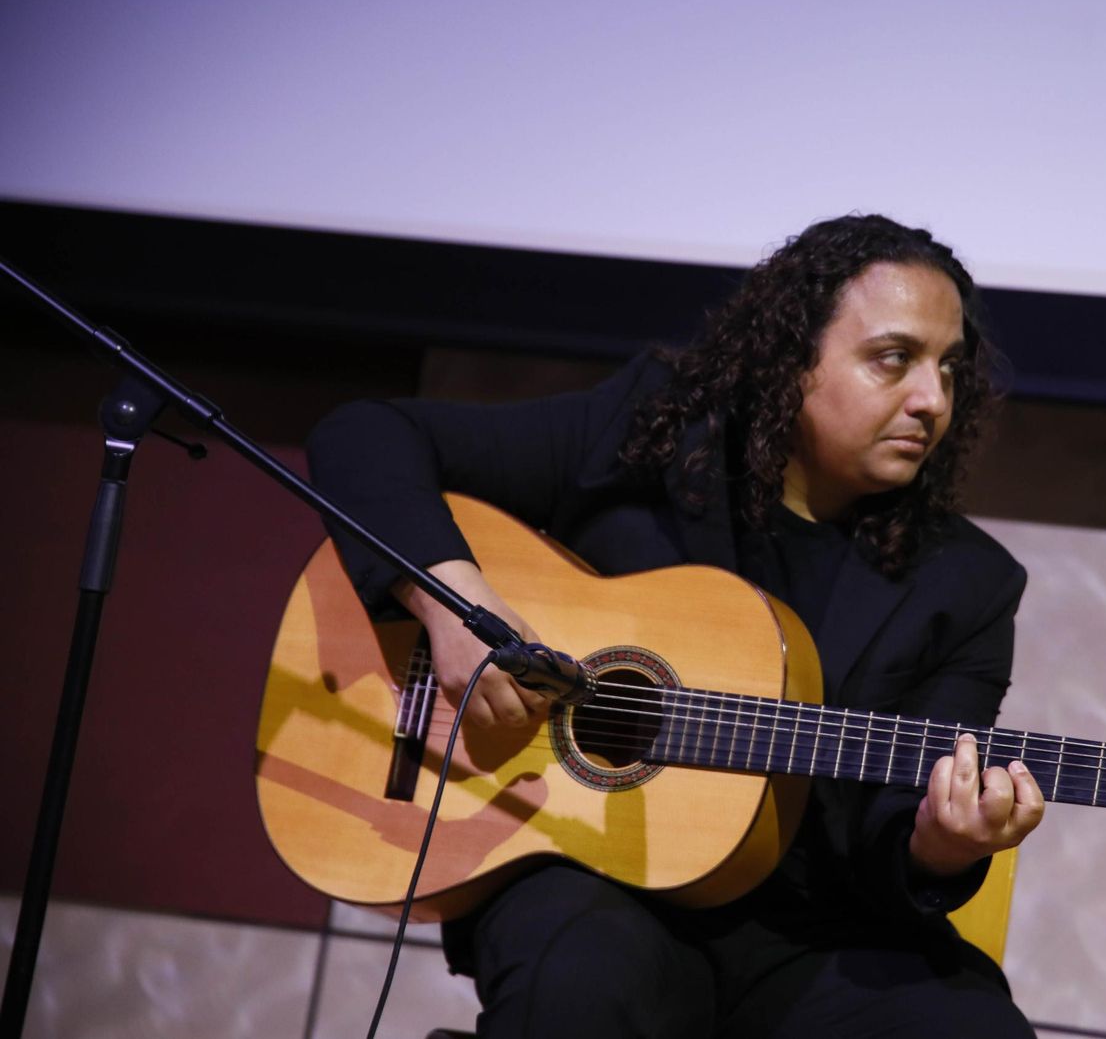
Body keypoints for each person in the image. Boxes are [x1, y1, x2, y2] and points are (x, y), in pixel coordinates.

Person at [307, 213, 1044, 1037]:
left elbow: (899, 824)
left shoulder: (968, 584)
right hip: (591, 880)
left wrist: (939, 846)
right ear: (792, 356)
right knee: (583, 982)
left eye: (950, 369)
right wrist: (454, 607)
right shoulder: (651, 436)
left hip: (813, 941)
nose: (933, 400)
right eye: (894, 358)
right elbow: (367, 436)